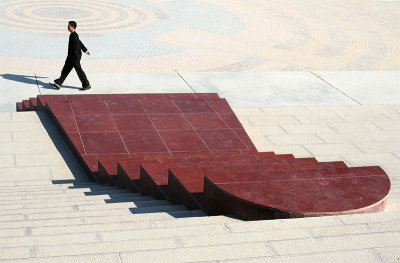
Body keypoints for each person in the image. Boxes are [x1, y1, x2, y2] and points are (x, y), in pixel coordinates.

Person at [50, 21, 91, 91]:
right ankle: (58, 83)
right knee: (65, 70)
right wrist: (86, 50)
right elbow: (79, 42)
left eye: (69, 26)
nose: (67, 27)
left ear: (72, 27)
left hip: (74, 58)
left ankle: (87, 85)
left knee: (79, 71)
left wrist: (75, 58)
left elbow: (76, 47)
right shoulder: (73, 35)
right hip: (71, 57)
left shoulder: (74, 35)